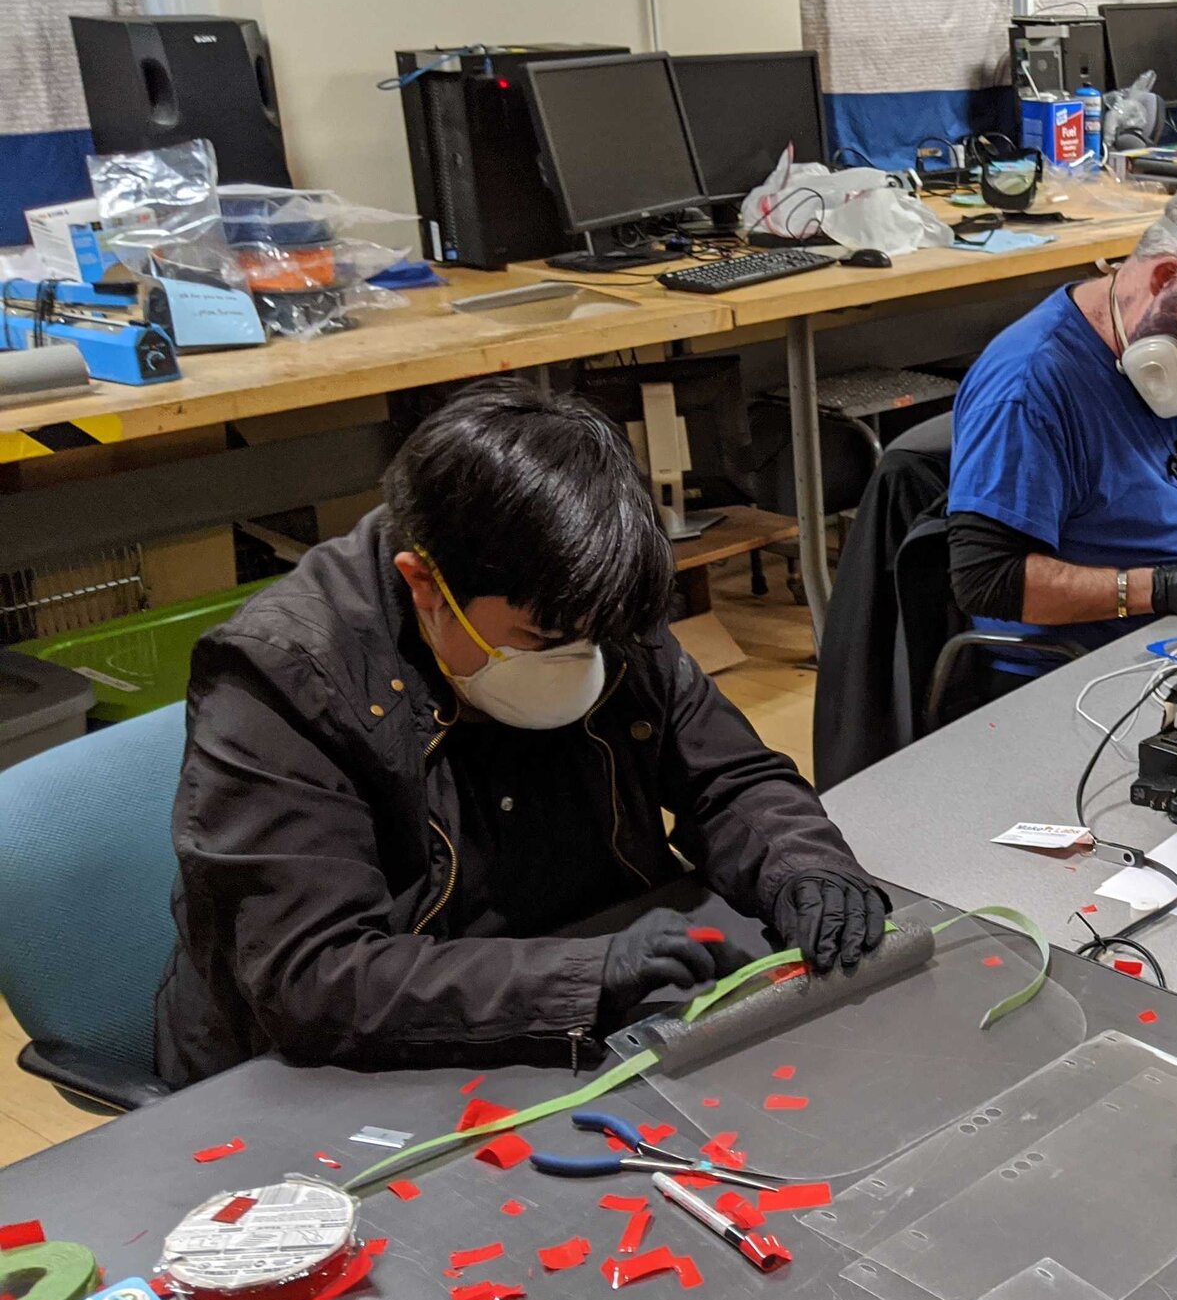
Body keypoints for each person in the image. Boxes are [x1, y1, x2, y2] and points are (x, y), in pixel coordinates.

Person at [156, 379, 892, 1085]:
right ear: (424, 585)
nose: (581, 661)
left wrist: (803, 866)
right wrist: (582, 975)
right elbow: (312, 977)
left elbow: (730, 777)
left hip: (575, 1011)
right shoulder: (280, 679)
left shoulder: (594, 598)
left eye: (599, 637)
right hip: (350, 1062)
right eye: (542, 639)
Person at [946, 173, 1177, 669]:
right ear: (1166, 278)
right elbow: (987, 579)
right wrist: (1155, 589)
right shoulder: (1031, 387)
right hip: (1077, 666)